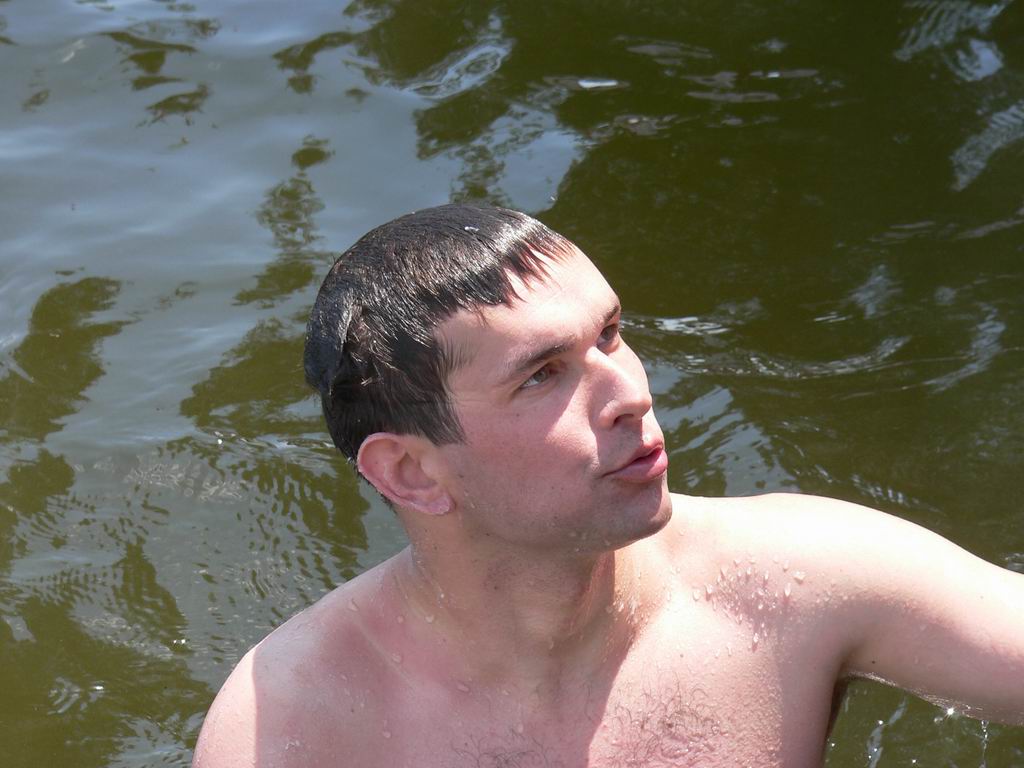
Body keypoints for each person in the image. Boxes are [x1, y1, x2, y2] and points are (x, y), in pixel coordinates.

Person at [194, 204, 1024, 768]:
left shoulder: (797, 580)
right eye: (542, 375)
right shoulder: (296, 726)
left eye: (611, 334)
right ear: (411, 472)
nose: (631, 391)